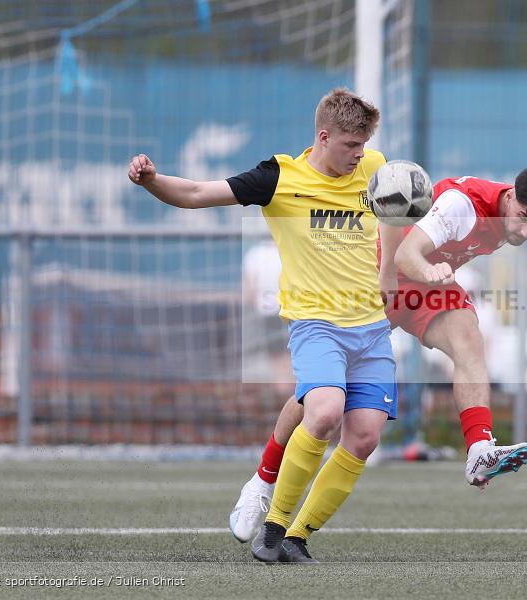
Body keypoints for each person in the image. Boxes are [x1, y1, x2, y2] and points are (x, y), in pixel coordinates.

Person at [230, 166, 527, 541]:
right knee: (320, 402)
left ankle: (479, 450)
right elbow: (406, 253)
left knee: (469, 339)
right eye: (522, 219)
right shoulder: (461, 206)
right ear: (508, 199)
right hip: (383, 279)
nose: (523, 233)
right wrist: (430, 271)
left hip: (428, 285)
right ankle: (262, 480)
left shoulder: (524, 211)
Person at [129, 88, 402, 564]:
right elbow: (196, 194)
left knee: (364, 437)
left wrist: (389, 272)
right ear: (323, 136)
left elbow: (398, 214)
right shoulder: (279, 176)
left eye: (364, 145)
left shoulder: (376, 167)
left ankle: (298, 537)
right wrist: (150, 180)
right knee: (322, 412)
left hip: (372, 329)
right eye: (351, 145)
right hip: (316, 325)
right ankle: (272, 526)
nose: (360, 154)